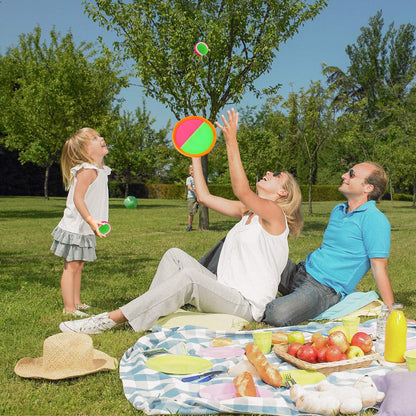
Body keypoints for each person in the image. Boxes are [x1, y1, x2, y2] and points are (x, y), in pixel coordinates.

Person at [59, 109, 303, 334]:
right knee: (174, 255)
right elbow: (204, 197)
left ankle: (107, 320)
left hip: (245, 305)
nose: (269, 173)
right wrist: (195, 153)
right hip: (224, 289)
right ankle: (148, 311)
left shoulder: (274, 215)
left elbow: (241, 190)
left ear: (283, 193)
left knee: (189, 277)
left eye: (277, 176)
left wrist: (231, 141)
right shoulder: (247, 213)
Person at [263, 161, 395, 327]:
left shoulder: (374, 219)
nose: (344, 176)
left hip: (323, 289)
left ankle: (275, 302)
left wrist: (392, 311)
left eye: (351, 174)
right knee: (253, 251)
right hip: (301, 271)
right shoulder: (338, 210)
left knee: (276, 313)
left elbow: (379, 267)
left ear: (368, 188)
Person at [51, 128, 111, 317]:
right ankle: (69, 308)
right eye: (94, 138)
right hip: (76, 226)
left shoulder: (100, 170)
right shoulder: (87, 171)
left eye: (99, 135)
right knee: (71, 267)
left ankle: (77, 302)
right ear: (86, 152)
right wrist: (91, 220)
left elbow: (96, 200)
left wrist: (97, 222)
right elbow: (78, 199)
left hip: (86, 226)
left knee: (79, 265)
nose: (101, 138)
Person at [185, 165, 198, 231]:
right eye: (191, 170)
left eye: (194, 170)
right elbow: (189, 187)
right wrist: (195, 191)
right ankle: (189, 225)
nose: (193, 171)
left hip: (198, 197)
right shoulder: (189, 179)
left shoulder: (198, 178)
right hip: (191, 197)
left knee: (199, 210)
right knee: (191, 212)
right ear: (189, 172)